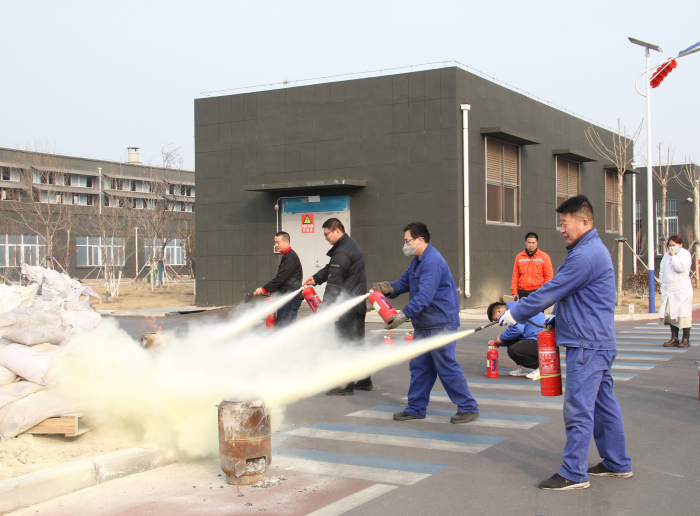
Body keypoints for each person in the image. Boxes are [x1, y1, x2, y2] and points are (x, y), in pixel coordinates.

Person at [498, 195, 632, 490]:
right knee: (603, 406)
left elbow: (553, 288)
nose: (561, 229)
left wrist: (516, 312)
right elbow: (579, 296)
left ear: (584, 222)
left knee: (578, 409)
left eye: (564, 223)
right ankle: (617, 462)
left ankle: (574, 473)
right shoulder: (590, 250)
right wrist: (557, 319)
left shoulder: (585, 256)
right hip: (596, 341)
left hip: (587, 345)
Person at [373, 222, 480, 424]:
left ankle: (468, 407)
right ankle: (415, 408)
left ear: (419, 240)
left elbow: (424, 297)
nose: (405, 245)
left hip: (440, 324)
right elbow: (405, 282)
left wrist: (403, 315)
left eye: (407, 241)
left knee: (446, 366)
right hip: (424, 324)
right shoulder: (417, 260)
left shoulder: (432, 262)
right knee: (420, 367)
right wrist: (387, 288)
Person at [303, 218, 370, 395]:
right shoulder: (348, 245)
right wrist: (317, 278)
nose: (325, 237)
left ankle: (344, 385)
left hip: (346, 307)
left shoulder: (342, 252)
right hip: (356, 304)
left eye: (327, 234)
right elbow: (332, 268)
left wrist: (325, 308)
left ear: (337, 231)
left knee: (344, 344)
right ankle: (364, 379)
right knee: (356, 343)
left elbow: (334, 284)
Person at [253, 232, 303, 328]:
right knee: (287, 329)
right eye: (275, 242)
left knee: (281, 329)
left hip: (289, 299)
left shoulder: (290, 257)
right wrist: (275, 289)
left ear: (287, 242)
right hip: (288, 297)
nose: (276, 245)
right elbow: (285, 278)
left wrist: (264, 289)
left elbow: (281, 278)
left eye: (278, 242)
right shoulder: (287, 256)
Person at [487, 301, 545, 378]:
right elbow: (514, 334)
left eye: (497, 318)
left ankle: (541, 368)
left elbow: (518, 329)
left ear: (499, 312)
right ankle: (527, 367)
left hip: (541, 340)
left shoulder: (515, 310)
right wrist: (498, 342)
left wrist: (501, 337)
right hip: (532, 337)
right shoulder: (514, 307)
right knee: (510, 341)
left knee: (513, 351)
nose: (499, 321)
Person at [659, 235, 693, 348]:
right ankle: (674, 338)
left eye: (674, 245)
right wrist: (661, 283)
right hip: (669, 290)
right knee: (671, 314)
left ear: (680, 245)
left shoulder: (685, 254)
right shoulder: (666, 256)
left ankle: (686, 339)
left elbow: (680, 268)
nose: (671, 247)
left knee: (683, 315)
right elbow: (662, 270)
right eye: (670, 245)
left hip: (682, 290)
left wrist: (674, 257)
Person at [511, 232, 554, 300]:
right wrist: (514, 292)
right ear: (525, 242)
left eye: (533, 243)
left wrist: (545, 291)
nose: (531, 245)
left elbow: (549, 276)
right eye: (529, 242)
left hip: (538, 292)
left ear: (537, 243)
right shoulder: (519, 257)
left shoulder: (545, 257)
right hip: (523, 292)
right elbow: (515, 276)